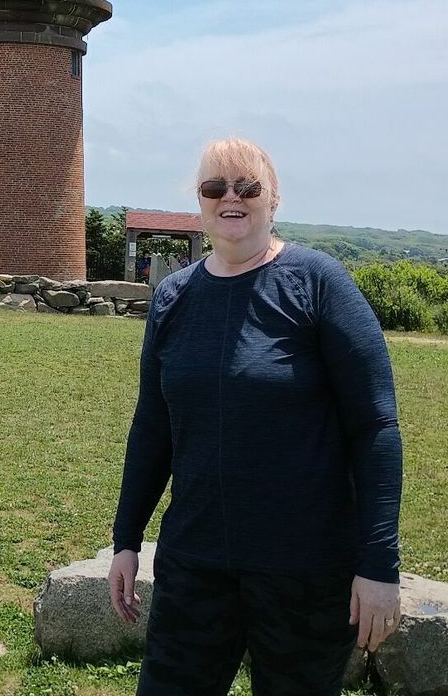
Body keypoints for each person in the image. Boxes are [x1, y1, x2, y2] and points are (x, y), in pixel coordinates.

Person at [107, 137, 402, 696]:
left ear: (274, 198)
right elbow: (152, 427)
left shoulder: (319, 283)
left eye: (248, 187)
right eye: (214, 187)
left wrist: (379, 565)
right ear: (199, 200)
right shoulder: (172, 298)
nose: (231, 198)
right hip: (195, 562)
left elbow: (375, 429)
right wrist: (127, 538)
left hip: (305, 570)